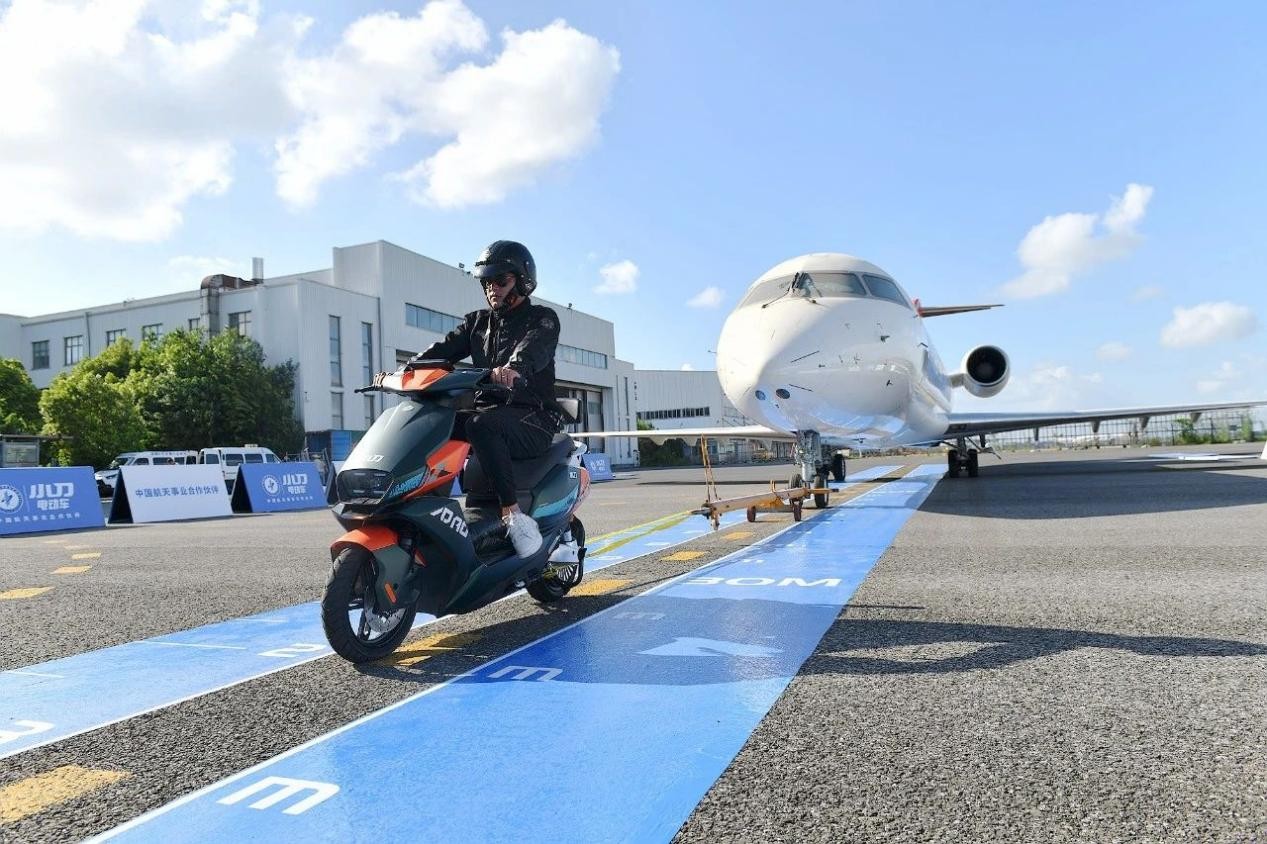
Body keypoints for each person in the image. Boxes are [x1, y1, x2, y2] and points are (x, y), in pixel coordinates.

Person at [412, 240, 564, 557]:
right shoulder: (477, 324)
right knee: (434, 423)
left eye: (500, 281)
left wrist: (513, 368)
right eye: (487, 282)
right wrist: (402, 371)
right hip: (492, 414)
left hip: (533, 417)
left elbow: (532, 348)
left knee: (481, 425)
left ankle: (513, 516)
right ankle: (427, 511)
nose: (492, 289)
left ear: (523, 281)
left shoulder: (543, 319)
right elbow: (436, 355)